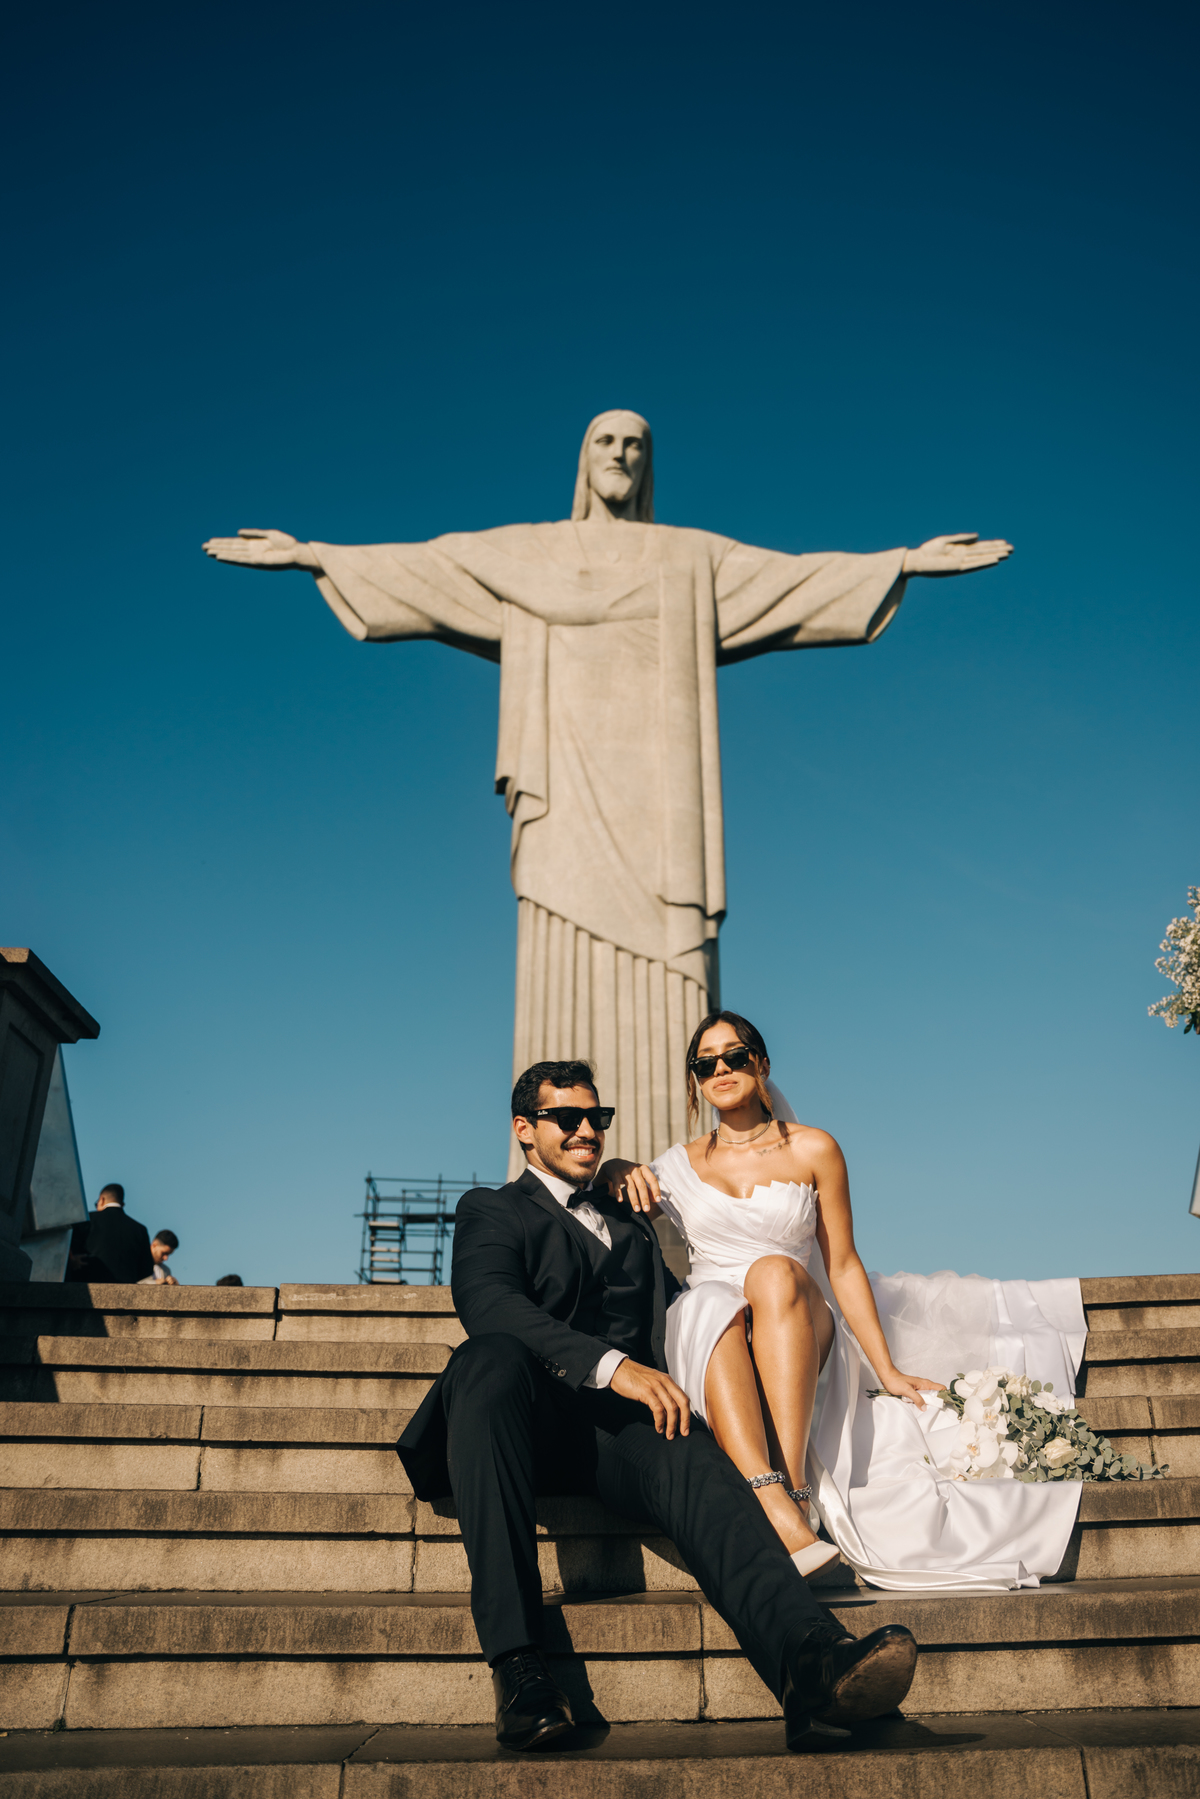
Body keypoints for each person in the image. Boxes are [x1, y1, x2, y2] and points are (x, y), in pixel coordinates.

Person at [397, 1059, 917, 1755]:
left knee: (698, 1458)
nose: (588, 1129)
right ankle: (521, 1671)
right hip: (519, 1417)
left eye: (597, 1118)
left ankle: (813, 1662)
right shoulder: (491, 1209)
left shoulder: (629, 1217)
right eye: (568, 1118)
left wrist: (756, 1343)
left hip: (618, 1436)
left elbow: (682, 1306)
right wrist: (616, 1369)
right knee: (486, 1359)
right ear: (525, 1129)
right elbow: (489, 1303)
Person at [603, 1012, 1089, 1593]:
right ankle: (782, 1512)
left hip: (797, 1314)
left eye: (735, 1056)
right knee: (706, 1300)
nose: (721, 1070)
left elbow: (842, 1263)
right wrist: (613, 1168)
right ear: (695, 1081)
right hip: (712, 1332)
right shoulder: (674, 1166)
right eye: (706, 1064)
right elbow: (610, 1187)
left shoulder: (814, 1148)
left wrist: (886, 1369)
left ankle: (792, 1481)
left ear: (760, 1063)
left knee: (774, 1272)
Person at [79, 1184, 155, 1285]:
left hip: (88, 1286)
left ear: (101, 1200)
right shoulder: (140, 1229)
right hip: (126, 1289)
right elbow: (147, 1269)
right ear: (122, 1204)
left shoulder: (88, 1220)